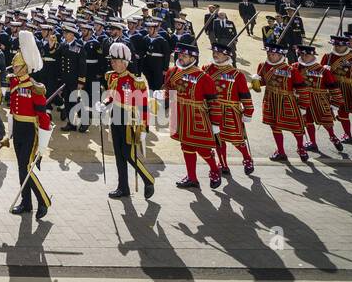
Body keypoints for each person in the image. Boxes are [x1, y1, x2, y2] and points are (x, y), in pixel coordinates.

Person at [8, 32, 55, 217]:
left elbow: (44, 117)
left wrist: (43, 143)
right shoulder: (14, 83)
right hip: (18, 128)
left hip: (30, 131)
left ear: (25, 68)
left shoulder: (35, 87)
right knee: (21, 168)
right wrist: (9, 132)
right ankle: (26, 203)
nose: (14, 68)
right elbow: (12, 109)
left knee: (26, 167)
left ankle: (43, 200)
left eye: (17, 66)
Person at [163, 44, 221, 190]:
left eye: (184, 56)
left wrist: (215, 123)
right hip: (179, 114)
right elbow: (168, 89)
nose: (180, 58)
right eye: (179, 55)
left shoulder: (204, 77)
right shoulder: (172, 71)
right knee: (186, 146)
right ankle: (192, 178)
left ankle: (214, 170)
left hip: (197, 116)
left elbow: (213, 102)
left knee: (202, 148)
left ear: (193, 58)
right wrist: (162, 100)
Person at [102, 41, 155, 200]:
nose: (112, 63)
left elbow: (144, 106)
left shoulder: (135, 81)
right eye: (111, 60)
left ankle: (148, 179)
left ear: (124, 62)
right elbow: (113, 95)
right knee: (118, 155)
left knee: (129, 154)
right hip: (115, 116)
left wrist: (145, 128)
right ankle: (123, 187)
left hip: (130, 120)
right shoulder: (112, 76)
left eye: (115, 61)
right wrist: (104, 104)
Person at [204, 42, 255, 176]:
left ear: (227, 56)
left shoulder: (237, 74)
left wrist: (248, 111)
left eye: (218, 53)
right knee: (218, 140)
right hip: (212, 110)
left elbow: (245, 94)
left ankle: (247, 158)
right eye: (214, 52)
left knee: (237, 139)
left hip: (231, 111)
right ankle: (223, 164)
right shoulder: (206, 69)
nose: (215, 55)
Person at [256, 43, 308, 162]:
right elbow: (261, 83)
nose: (270, 56)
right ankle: (281, 151)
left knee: (296, 127)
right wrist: (256, 82)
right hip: (270, 100)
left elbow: (302, 88)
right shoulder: (263, 66)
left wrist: (303, 106)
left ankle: (301, 148)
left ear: (281, 55)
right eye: (268, 54)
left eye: (273, 54)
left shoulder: (291, 70)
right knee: (274, 126)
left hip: (287, 101)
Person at [295, 43, 344, 154]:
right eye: (301, 55)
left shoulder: (323, 70)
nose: (303, 57)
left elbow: (333, 87)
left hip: (320, 100)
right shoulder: (295, 67)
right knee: (307, 122)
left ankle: (333, 137)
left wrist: (336, 103)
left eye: (306, 55)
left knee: (326, 120)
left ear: (313, 56)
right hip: (302, 99)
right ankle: (313, 143)